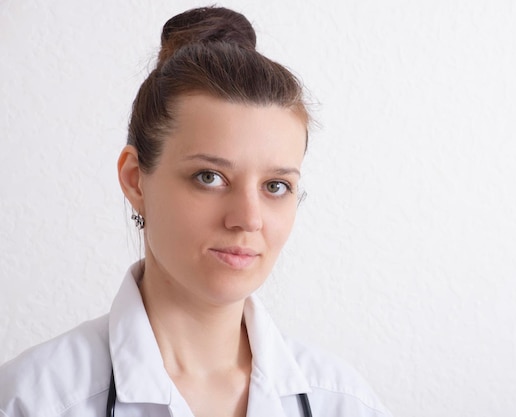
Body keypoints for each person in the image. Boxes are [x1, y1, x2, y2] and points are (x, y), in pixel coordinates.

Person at [0, 6, 392, 417]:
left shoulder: (343, 402)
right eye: (210, 177)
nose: (248, 218)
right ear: (136, 180)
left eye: (275, 186)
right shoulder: (30, 401)